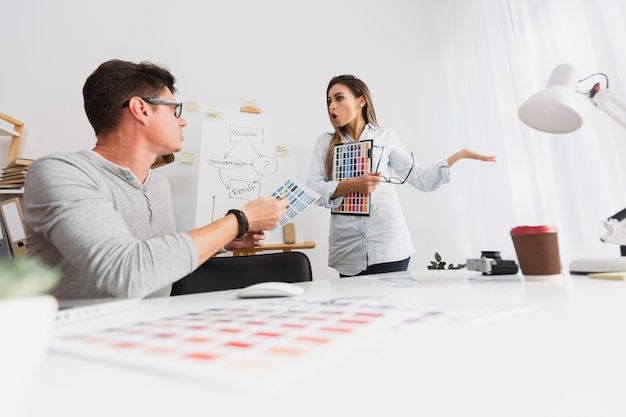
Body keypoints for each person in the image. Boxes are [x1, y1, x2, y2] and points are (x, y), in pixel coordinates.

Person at [22, 59, 289, 300]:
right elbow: (127, 274)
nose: (182, 121)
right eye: (174, 109)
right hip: (81, 341)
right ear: (141, 109)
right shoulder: (59, 173)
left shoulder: (158, 184)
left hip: (152, 331)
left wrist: (223, 242)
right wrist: (239, 220)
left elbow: (158, 261)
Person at [307, 74, 496, 277]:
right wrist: (352, 185)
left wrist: (461, 155)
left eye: (339, 98)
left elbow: (423, 180)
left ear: (361, 101)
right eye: (329, 101)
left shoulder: (385, 137)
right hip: (348, 251)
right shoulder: (325, 143)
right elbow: (313, 189)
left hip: (388, 246)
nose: (331, 106)